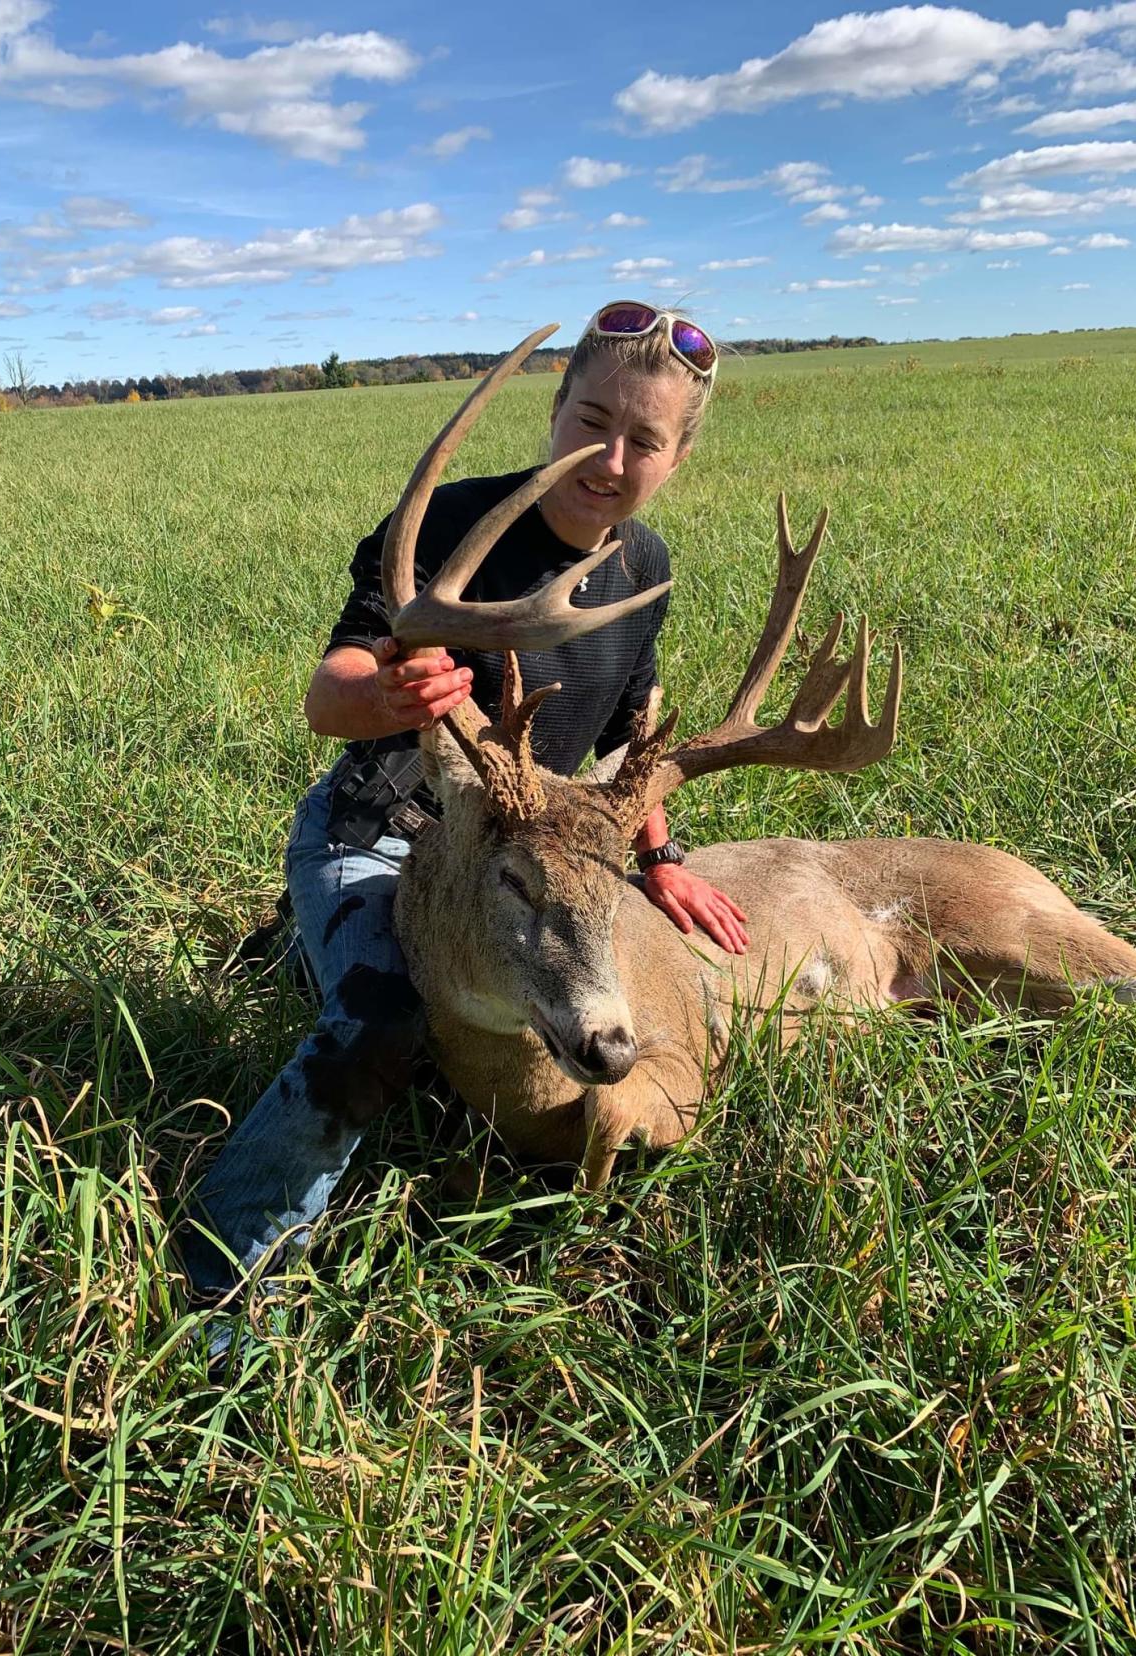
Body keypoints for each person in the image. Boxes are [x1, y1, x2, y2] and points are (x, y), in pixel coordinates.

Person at [181, 301, 750, 1297]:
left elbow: (629, 740)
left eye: (644, 440)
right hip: (382, 831)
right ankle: (220, 1275)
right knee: (386, 1013)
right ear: (556, 408)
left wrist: (659, 857)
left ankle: (300, 948)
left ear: (677, 458)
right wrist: (388, 692)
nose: (609, 457)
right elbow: (328, 698)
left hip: (536, 857)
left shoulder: (645, 567)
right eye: (591, 422)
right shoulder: (447, 532)